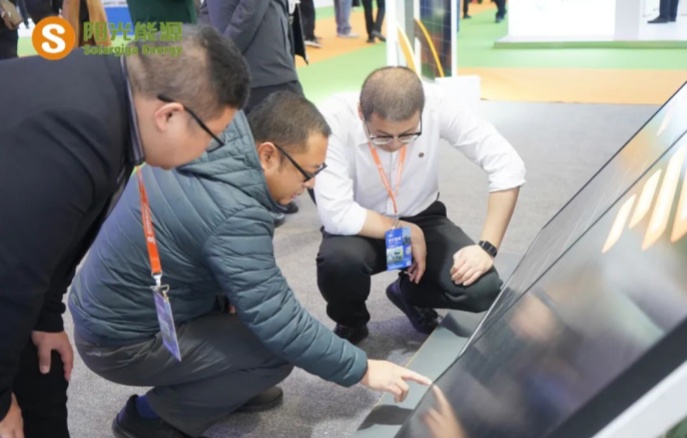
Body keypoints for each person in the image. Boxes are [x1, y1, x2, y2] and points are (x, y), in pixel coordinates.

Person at [68, 91, 432, 438]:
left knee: (251, 326)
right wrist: (363, 368)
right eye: (306, 171)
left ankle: (224, 383)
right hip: (121, 343)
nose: (310, 184)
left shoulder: (212, 139)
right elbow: (278, 318)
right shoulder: (234, 213)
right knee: (274, 353)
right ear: (267, 154)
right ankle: (150, 416)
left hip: (121, 309)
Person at [0, 25, 250, 438]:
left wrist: (45, 317)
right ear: (169, 115)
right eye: (212, 139)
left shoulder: (110, 94)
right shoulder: (75, 133)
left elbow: (52, 239)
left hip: (19, 286)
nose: (207, 153)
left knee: (44, 384)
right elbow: (9, 278)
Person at [314, 66, 526, 345]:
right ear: (360, 111)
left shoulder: (439, 104)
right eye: (381, 136)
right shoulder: (332, 119)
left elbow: (507, 164)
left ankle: (408, 294)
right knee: (338, 263)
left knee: (481, 290)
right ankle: (352, 321)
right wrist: (405, 231)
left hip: (423, 216)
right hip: (362, 222)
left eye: (407, 135)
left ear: (421, 113)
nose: (395, 145)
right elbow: (336, 213)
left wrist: (487, 247)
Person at [204, 0, 305, 224]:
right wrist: (222, 51)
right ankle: (265, 200)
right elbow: (249, 8)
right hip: (263, 66)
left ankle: (269, 198)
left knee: (254, 140)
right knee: (298, 135)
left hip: (256, 63)